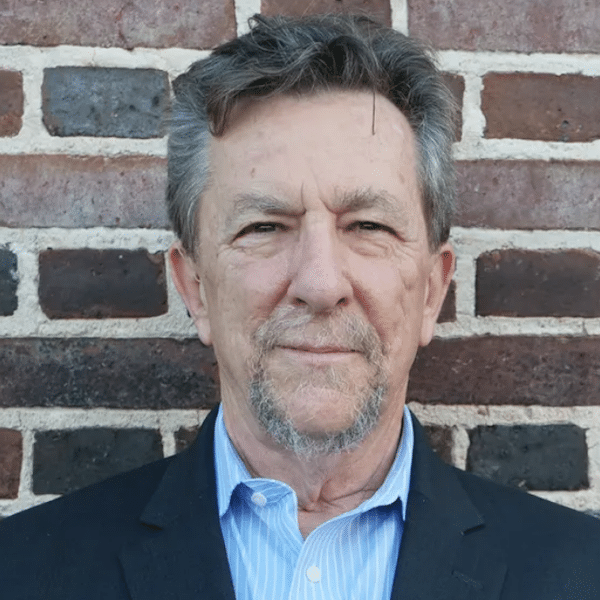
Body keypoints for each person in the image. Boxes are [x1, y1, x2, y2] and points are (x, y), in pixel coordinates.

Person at [1, 14, 599, 600]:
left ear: (431, 291)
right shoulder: (23, 571)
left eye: (368, 225)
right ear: (195, 287)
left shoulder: (581, 572)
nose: (320, 282)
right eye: (264, 226)